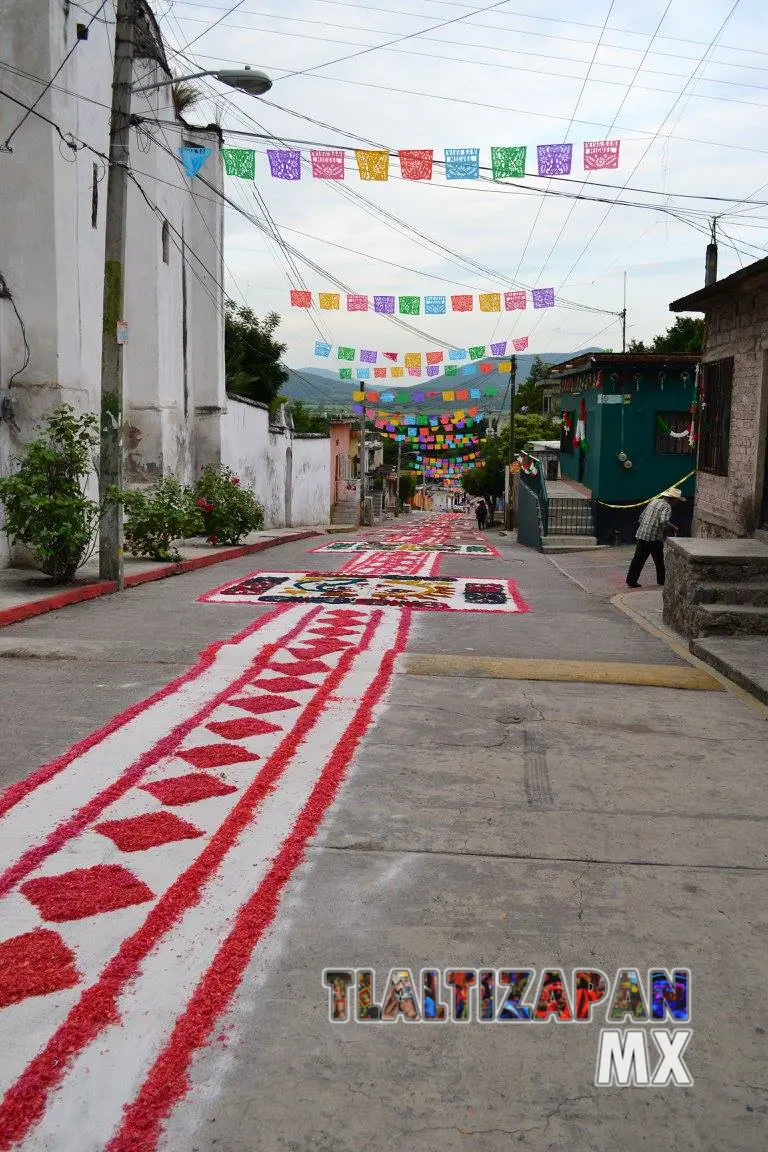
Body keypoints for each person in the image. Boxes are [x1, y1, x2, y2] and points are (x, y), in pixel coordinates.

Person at [626, 487, 685, 589]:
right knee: (659, 560)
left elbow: (641, 516)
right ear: (672, 498)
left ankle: (631, 580)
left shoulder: (654, 501)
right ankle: (661, 580)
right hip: (654, 537)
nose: (677, 502)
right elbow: (663, 521)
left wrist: (646, 527)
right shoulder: (667, 506)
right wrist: (673, 528)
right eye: (677, 500)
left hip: (642, 534)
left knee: (638, 559)